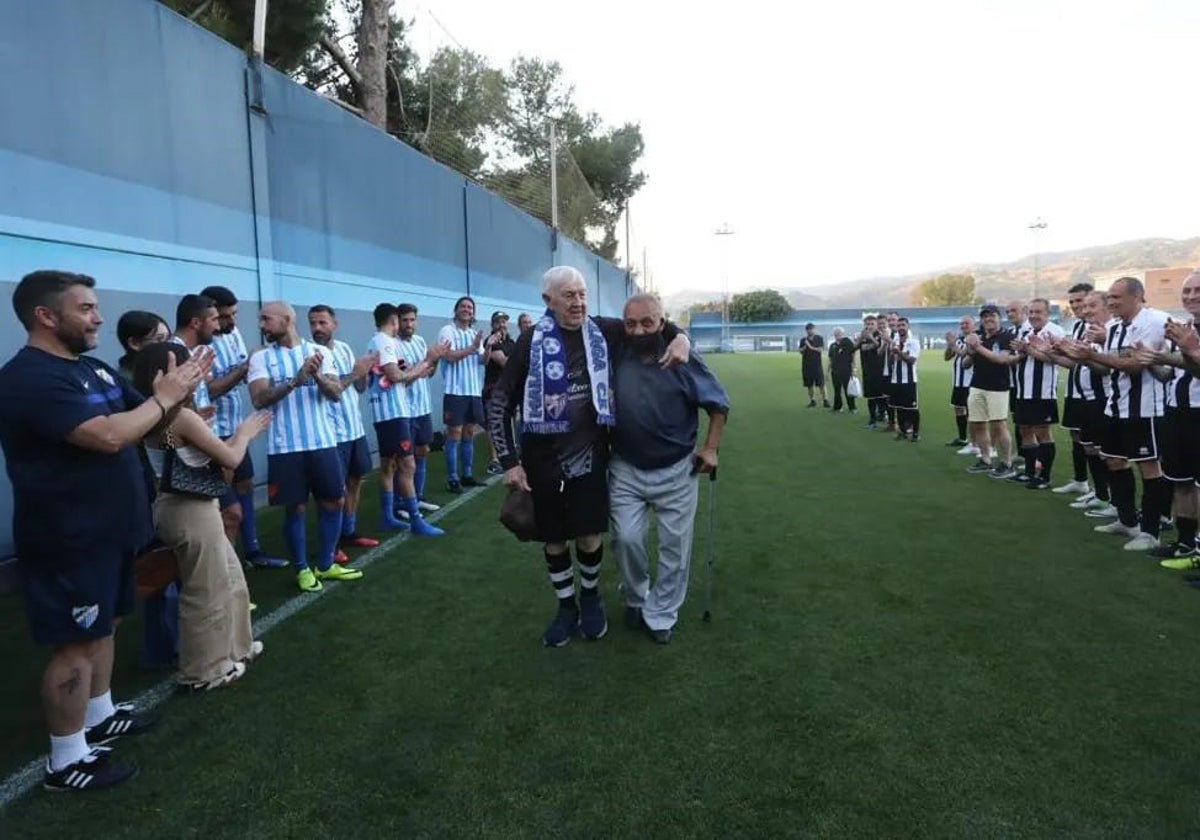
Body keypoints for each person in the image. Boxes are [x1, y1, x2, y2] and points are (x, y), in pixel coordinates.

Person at [0, 270, 207, 791]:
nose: (98, 318)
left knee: (107, 623)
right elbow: (110, 435)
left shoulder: (91, 369)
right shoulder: (29, 378)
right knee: (74, 643)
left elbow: (142, 415)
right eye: (86, 309)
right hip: (68, 536)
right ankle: (66, 761)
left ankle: (100, 713)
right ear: (46, 316)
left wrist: (174, 395)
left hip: (113, 528)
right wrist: (164, 400)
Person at [486, 266, 690, 647]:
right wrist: (510, 462)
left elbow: (651, 321)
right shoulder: (530, 342)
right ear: (548, 301)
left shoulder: (602, 331)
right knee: (554, 539)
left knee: (589, 533)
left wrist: (680, 338)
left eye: (582, 294)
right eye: (568, 295)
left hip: (591, 454)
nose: (578, 302)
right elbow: (499, 402)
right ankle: (566, 607)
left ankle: (592, 599)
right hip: (542, 458)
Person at [135, 342, 271, 691]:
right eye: (189, 369)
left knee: (229, 578)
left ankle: (237, 648)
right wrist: (244, 433)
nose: (199, 374)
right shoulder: (180, 417)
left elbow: (172, 443)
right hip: (189, 510)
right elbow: (229, 458)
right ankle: (203, 672)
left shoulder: (159, 413)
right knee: (205, 590)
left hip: (185, 506)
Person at [609, 294, 729, 644]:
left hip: (677, 470)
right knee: (626, 539)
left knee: (674, 548)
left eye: (648, 322)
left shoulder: (684, 358)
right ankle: (636, 595)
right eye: (631, 323)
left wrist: (710, 449)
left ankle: (661, 614)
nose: (638, 329)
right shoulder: (617, 350)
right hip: (626, 467)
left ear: (662, 323)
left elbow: (719, 405)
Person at [247, 302, 363, 591]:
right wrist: (294, 382)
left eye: (266, 319)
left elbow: (336, 393)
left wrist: (317, 377)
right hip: (285, 446)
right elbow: (259, 399)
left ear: (287, 320)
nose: (261, 325)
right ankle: (301, 569)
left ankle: (325, 564)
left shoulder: (320, 353)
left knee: (334, 501)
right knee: (295, 508)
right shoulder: (261, 358)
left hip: (323, 442)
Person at [1070, 277, 1171, 551]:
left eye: (1116, 297)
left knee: (1149, 466)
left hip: (1146, 407)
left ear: (1137, 296)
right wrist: (1084, 356)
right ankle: (1128, 521)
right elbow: (1108, 368)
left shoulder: (1153, 321)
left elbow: (1136, 365)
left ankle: (1151, 531)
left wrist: (1095, 356)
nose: (1111, 302)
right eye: (1110, 297)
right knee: (1113, 460)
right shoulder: (1114, 327)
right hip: (1116, 406)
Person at [199, 285, 285, 569]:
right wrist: (245, 368)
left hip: (237, 428)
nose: (231, 321)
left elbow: (246, 374)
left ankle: (253, 550)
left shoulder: (232, 334)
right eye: (224, 317)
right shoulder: (201, 344)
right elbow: (211, 389)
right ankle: (226, 563)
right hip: (212, 432)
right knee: (226, 508)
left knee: (245, 482)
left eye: (233, 314)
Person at [308, 305, 380, 553]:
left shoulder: (345, 348)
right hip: (331, 435)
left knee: (355, 481)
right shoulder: (311, 353)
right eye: (313, 323)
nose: (317, 328)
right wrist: (355, 372)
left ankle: (349, 532)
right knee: (332, 493)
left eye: (322, 323)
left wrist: (365, 372)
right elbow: (333, 391)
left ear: (334, 324)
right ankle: (333, 542)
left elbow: (359, 387)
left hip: (354, 430)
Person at [1009, 298, 1066, 489]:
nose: (1034, 316)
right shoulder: (1026, 331)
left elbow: (1055, 359)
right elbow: (1023, 357)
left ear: (1047, 314)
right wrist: (1021, 351)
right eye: (1031, 312)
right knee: (1025, 430)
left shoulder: (1054, 331)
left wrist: (1028, 349)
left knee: (1043, 433)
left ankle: (1045, 477)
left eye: (1038, 312)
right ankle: (1029, 471)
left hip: (1042, 392)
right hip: (1023, 391)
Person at [1049, 284, 1097, 496]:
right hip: (1074, 391)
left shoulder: (1098, 327)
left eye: (1080, 301)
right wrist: (1053, 352)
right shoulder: (1078, 327)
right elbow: (1074, 363)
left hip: (1094, 394)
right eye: (1073, 302)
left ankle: (1102, 493)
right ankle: (1081, 481)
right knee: (1077, 437)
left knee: (1096, 445)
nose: (1077, 306)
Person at [395, 303, 441, 516]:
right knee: (405, 460)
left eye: (412, 319)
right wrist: (426, 363)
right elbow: (403, 379)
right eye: (405, 320)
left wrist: (435, 359)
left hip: (423, 408)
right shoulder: (392, 345)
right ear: (397, 321)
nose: (409, 324)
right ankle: (400, 503)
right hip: (404, 410)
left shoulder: (420, 341)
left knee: (422, 452)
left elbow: (428, 372)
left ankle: (417, 497)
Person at [962, 304, 1017, 477]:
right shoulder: (978, 336)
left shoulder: (1006, 336)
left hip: (998, 387)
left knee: (999, 425)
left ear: (999, 317)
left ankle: (1006, 463)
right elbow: (965, 364)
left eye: (991, 315)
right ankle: (985, 459)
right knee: (978, 424)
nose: (988, 319)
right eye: (985, 316)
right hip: (977, 384)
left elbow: (1002, 359)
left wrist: (978, 347)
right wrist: (970, 351)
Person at [438, 296, 486, 492]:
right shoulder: (447, 331)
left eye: (470, 307)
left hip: (473, 391)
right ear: (456, 310)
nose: (467, 309)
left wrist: (488, 347)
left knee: (469, 433)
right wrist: (472, 348)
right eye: (463, 306)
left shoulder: (475, 334)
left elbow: (482, 360)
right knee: (454, 434)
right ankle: (452, 478)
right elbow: (448, 357)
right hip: (455, 391)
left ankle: (466, 475)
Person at [483, 311, 517, 474]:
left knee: (509, 421)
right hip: (493, 388)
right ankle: (495, 460)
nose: (502, 325)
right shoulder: (490, 342)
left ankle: (510, 454)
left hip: (509, 388)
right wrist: (517, 359)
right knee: (494, 424)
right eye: (498, 322)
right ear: (493, 324)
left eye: (504, 322)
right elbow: (504, 361)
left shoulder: (511, 341)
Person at [944, 315, 975, 451]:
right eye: (961, 324)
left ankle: (975, 442)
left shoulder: (975, 339)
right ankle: (963, 438)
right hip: (958, 381)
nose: (963, 326)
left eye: (966, 323)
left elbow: (964, 354)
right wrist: (949, 346)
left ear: (973, 325)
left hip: (970, 382)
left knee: (972, 413)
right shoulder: (959, 340)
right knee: (959, 409)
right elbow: (947, 357)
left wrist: (952, 344)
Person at [889, 317, 921, 441]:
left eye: (903, 325)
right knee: (899, 407)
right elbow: (892, 361)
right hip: (895, 380)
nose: (901, 327)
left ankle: (916, 433)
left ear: (908, 326)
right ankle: (902, 431)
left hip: (909, 380)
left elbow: (912, 360)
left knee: (912, 408)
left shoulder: (913, 342)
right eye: (899, 325)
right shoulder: (895, 341)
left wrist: (899, 353)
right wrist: (892, 353)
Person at [116, 311, 169, 383]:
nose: (168, 345)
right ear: (134, 343)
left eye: (168, 338)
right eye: (159, 339)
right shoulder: (125, 382)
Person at [856, 315, 887, 428]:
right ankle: (872, 420)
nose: (869, 326)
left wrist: (871, 339)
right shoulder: (862, 337)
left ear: (876, 325)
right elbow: (856, 348)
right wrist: (860, 339)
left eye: (872, 324)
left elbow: (878, 348)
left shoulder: (880, 336)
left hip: (879, 371)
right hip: (867, 370)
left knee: (880, 396)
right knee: (870, 397)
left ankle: (884, 414)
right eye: (867, 324)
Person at [827, 327, 857, 413]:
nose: (837, 335)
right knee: (837, 390)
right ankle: (837, 407)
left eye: (839, 333)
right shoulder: (832, 346)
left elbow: (853, 352)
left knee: (848, 389)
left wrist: (853, 366)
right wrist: (828, 371)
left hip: (846, 370)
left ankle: (852, 407)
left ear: (842, 334)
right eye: (836, 333)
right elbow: (830, 359)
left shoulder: (847, 342)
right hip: (835, 371)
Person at [799, 323, 828, 408]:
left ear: (814, 329)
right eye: (808, 329)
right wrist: (805, 346)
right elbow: (800, 351)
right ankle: (812, 400)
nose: (810, 331)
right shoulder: (803, 340)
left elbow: (821, 349)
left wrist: (811, 347)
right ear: (806, 330)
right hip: (806, 365)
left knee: (821, 383)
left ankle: (825, 400)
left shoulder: (819, 338)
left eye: (811, 329)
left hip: (817, 364)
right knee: (809, 385)